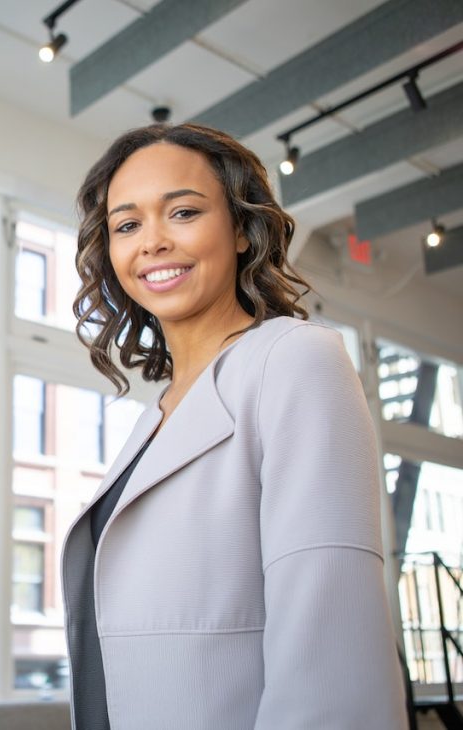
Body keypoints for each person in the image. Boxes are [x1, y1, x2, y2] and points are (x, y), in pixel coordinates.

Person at [62, 123, 408, 729]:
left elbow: (332, 654)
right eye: (127, 225)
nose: (152, 242)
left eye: (184, 212)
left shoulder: (295, 358)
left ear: (243, 230)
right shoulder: (157, 415)